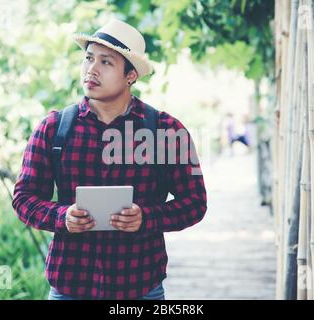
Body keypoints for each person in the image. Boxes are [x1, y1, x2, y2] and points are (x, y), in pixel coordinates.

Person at [12, 19, 207, 300]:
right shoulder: (54, 128)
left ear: (131, 76)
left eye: (106, 62)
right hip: (70, 285)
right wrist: (62, 216)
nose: (91, 69)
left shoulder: (165, 130)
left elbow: (195, 203)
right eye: (88, 58)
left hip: (140, 286)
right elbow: (23, 198)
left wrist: (147, 218)